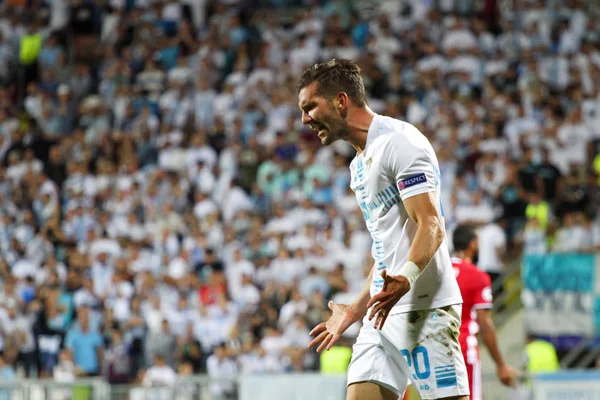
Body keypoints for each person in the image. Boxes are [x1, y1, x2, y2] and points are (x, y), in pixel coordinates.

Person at [298, 59, 469, 400]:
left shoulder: (400, 143)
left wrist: (405, 278)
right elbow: (386, 250)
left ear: (340, 101)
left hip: (424, 308)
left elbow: (431, 225)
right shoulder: (358, 166)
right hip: (381, 314)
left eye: (309, 107)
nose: (304, 119)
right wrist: (355, 308)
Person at [451, 224, 519, 400]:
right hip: (464, 352)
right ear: (473, 244)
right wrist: (501, 365)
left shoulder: (438, 272)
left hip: (437, 351)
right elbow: (485, 324)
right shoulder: (477, 276)